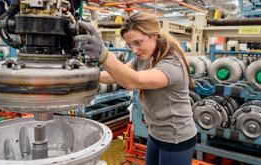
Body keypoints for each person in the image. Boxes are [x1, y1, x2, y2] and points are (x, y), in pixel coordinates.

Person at [74, 12, 197, 165]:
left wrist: (104, 55)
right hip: (155, 134)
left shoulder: (172, 63)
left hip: (176, 139)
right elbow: (119, 74)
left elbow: (133, 81)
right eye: (129, 45)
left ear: (154, 36)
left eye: (138, 42)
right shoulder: (145, 56)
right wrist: (86, 74)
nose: (134, 50)